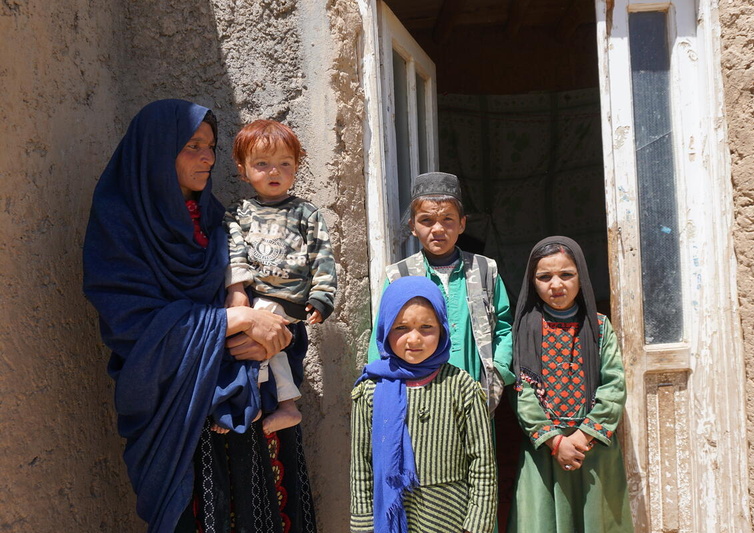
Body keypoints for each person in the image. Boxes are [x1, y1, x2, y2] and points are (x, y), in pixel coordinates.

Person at [83, 99, 317, 532]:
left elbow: (276, 292)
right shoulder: (121, 227)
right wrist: (238, 323)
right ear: (157, 152)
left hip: (253, 403)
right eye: (193, 146)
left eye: (210, 146)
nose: (208, 158)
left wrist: (276, 332)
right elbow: (132, 325)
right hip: (179, 414)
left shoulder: (219, 220)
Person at [351, 276, 497, 533]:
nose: (414, 339)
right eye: (401, 328)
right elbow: (361, 464)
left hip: (452, 516)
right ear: (385, 329)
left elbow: (482, 462)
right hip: (392, 517)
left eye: (426, 327)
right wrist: (363, 525)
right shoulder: (370, 391)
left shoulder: (461, 386)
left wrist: (477, 523)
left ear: (442, 328)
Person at [508, 236, 632, 532]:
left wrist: (581, 437)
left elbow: (614, 386)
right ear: (532, 281)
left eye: (566, 274)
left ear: (581, 277)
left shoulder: (599, 327)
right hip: (545, 453)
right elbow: (522, 393)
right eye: (544, 276)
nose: (556, 285)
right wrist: (556, 441)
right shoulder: (525, 330)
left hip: (592, 450)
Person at [223, 119, 336, 435]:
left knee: (256, 328)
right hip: (257, 295)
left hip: (289, 298)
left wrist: (321, 298)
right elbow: (233, 255)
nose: (274, 172)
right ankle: (284, 405)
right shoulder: (238, 214)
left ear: (296, 166)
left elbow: (322, 258)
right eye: (262, 164)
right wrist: (235, 292)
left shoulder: (306, 214)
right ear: (243, 169)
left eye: (284, 163)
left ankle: (256, 399)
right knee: (258, 334)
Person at [367, 172, 514, 414]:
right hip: (417, 398)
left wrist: (496, 372)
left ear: (462, 224)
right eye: (426, 221)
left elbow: (504, 327)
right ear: (412, 226)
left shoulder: (485, 270)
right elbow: (382, 337)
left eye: (448, 219)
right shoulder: (400, 275)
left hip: (476, 394)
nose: (438, 229)